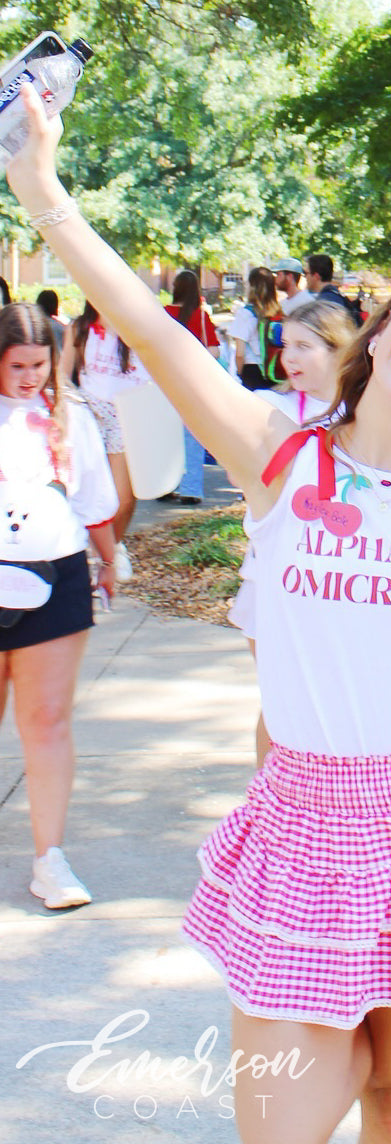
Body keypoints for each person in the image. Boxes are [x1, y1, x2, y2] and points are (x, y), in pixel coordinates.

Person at [6, 84, 391, 1144]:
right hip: (303, 830)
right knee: (277, 1125)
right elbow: (149, 328)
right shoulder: (277, 457)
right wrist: (38, 184)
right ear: (381, 329)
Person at [0, 301, 118, 908]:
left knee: (46, 720)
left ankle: (50, 859)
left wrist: (111, 559)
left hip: (55, 578)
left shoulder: (72, 418)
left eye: (38, 365)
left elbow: (94, 501)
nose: (29, 377)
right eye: (16, 366)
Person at [228, 300, 357, 763]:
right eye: (286, 346)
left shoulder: (368, 416)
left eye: (305, 346)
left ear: (340, 349)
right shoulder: (269, 408)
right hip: (274, 576)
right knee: (281, 700)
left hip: (346, 578)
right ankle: (269, 795)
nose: (290, 358)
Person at [59, 302, 151, 582]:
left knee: (124, 497)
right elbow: (62, 374)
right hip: (90, 411)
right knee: (85, 490)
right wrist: (69, 407)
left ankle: (113, 547)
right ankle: (90, 555)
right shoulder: (80, 328)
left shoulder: (137, 328)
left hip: (127, 414)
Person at [164, 269, 220, 505]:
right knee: (193, 437)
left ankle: (166, 484)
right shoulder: (201, 317)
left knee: (166, 435)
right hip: (194, 382)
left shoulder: (163, 314)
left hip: (165, 381)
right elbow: (214, 350)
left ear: (175, 288)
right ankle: (191, 489)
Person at [228, 266, 282, 391]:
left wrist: (240, 374)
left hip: (252, 371)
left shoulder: (245, 313)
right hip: (275, 371)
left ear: (251, 286)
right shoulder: (278, 312)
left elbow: (240, 354)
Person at [304, 253, 363, 326]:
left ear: (316, 276)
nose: (305, 277)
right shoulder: (336, 296)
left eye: (306, 273)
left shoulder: (325, 303)